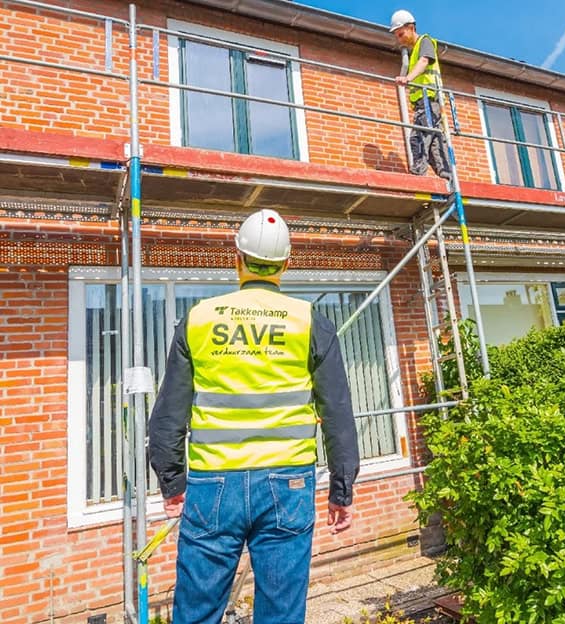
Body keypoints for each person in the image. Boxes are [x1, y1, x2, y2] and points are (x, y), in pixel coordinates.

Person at [149, 208, 360, 624]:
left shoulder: (199, 320)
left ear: (237, 258)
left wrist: (172, 482)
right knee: (281, 614)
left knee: (196, 614)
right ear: (286, 262)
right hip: (289, 483)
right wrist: (341, 489)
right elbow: (336, 412)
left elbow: (168, 415)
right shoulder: (310, 323)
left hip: (213, 485)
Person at [391, 9, 451, 179]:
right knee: (435, 143)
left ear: (411, 27)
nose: (399, 38)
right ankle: (447, 175)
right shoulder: (414, 52)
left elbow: (425, 61)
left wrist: (407, 78)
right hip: (426, 103)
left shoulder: (425, 42)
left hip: (429, 101)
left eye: (401, 34)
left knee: (418, 137)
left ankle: (418, 174)